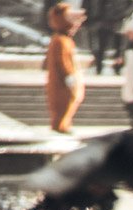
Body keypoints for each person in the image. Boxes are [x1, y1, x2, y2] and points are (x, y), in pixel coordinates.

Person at [44, 2, 86, 134]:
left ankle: (64, 124)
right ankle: (60, 125)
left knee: (67, 103)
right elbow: (62, 61)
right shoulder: (60, 40)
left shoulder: (64, 40)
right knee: (62, 104)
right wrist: (69, 76)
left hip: (64, 81)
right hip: (61, 82)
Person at [85, 0, 129, 76]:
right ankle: (99, 67)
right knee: (101, 46)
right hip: (104, 20)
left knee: (119, 47)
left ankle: (118, 68)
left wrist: (124, 13)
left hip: (118, 20)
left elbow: (132, 3)